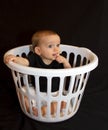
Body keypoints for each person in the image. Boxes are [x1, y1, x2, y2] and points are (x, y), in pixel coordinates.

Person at [4, 30, 71, 116]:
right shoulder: (34, 58)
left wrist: (65, 62)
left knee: (62, 103)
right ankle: (30, 108)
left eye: (58, 45)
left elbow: (69, 71)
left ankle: (43, 110)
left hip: (54, 93)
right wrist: (15, 59)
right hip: (36, 90)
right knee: (21, 91)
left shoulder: (59, 60)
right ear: (38, 50)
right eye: (50, 46)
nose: (56, 49)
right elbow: (25, 62)